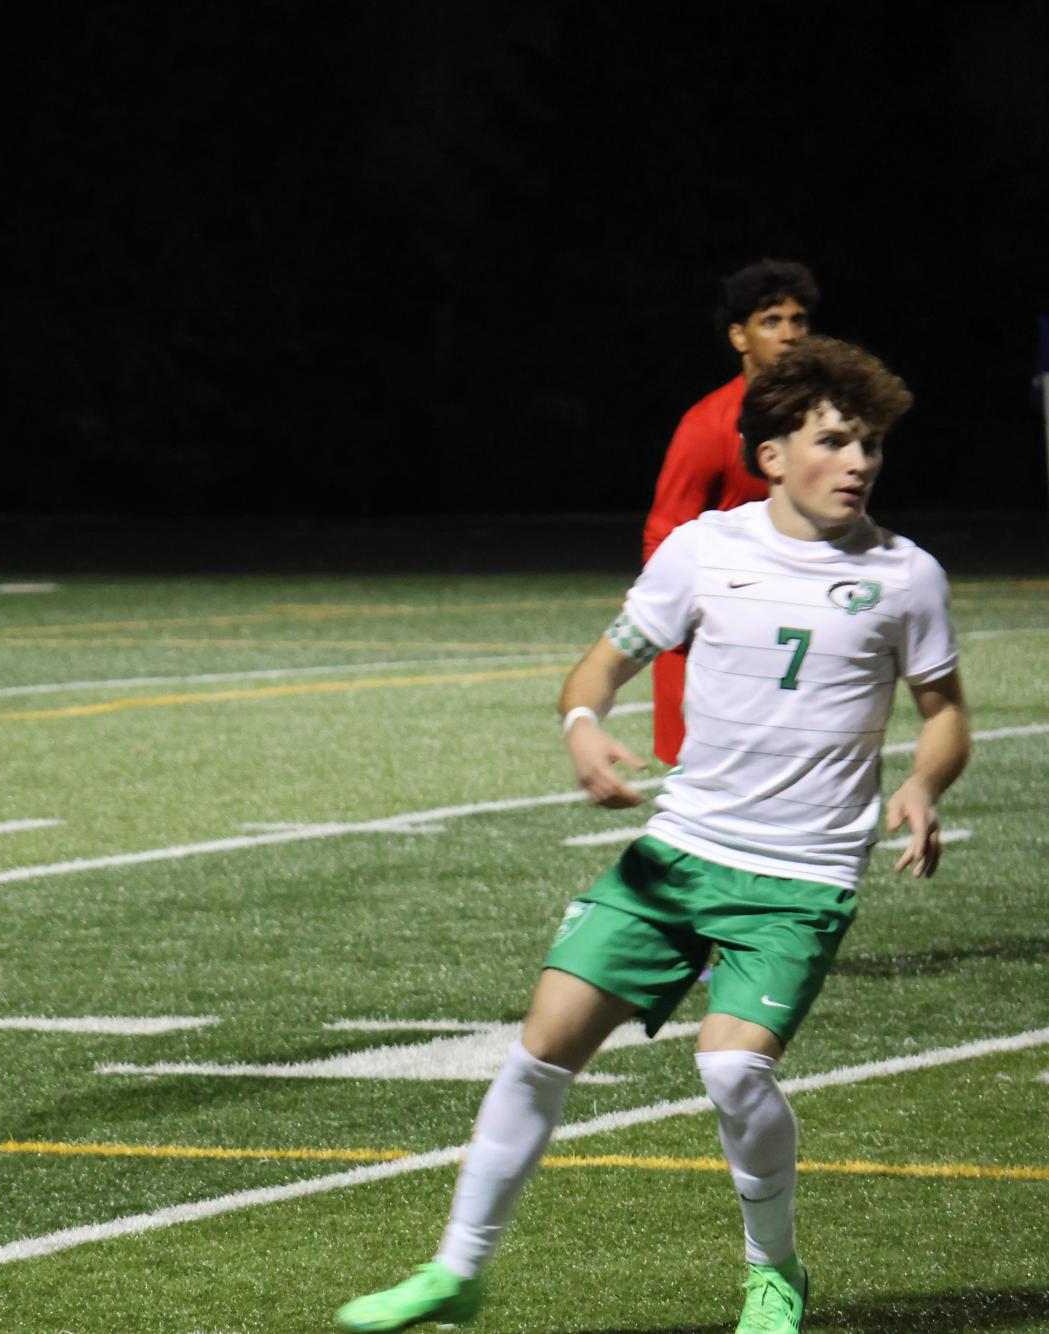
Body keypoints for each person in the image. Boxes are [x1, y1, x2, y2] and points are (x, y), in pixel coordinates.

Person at [338, 337, 970, 1333]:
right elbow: (595, 671)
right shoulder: (703, 552)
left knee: (730, 1066)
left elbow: (944, 710)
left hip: (798, 875)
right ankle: (457, 1270)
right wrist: (584, 731)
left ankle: (774, 1271)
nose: (860, 463)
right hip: (677, 854)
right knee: (541, 1046)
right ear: (770, 455)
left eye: (873, 445)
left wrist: (926, 784)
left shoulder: (905, 576)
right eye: (836, 440)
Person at [644, 260, 819, 766]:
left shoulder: (824, 421)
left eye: (798, 320)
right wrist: (685, 621)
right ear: (739, 337)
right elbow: (663, 535)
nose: (789, 334)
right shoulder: (707, 425)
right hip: (722, 626)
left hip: (799, 622)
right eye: (772, 321)